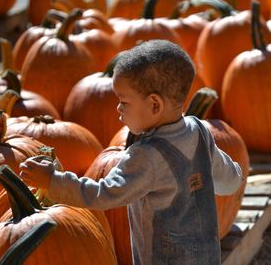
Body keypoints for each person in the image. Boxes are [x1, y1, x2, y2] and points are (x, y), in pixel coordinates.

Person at [19, 39, 243, 265]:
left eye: (124, 102)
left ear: (154, 105)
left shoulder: (146, 156)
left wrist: (53, 181)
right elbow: (230, 181)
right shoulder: (199, 131)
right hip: (207, 255)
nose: (118, 108)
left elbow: (102, 194)